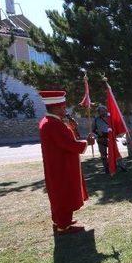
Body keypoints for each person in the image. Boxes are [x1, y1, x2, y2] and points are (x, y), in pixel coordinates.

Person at [37, 90, 95, 234]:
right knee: (63, 194)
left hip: (60, 164)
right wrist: (86, 142)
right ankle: (63, 226)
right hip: (61, 167)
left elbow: (67, 139)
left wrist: (72, 127)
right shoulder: (53, 124)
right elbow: (68, 144)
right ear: (55, 108)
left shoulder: (52, 122)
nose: (65, 110)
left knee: (61, 193)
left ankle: (62, 221)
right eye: (63, 107)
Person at [92, 105, 126, 174]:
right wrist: (97, 133)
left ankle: (122, 166)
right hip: (101, 139)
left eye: (103, 111)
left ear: (105, 110)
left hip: (110, 138)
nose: (101, 112)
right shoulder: (96, 120)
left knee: (115, 152)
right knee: (103, 155)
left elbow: (115, 126)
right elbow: (93, 130)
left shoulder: (110, 118)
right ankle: (107, 169)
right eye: (100, 111)